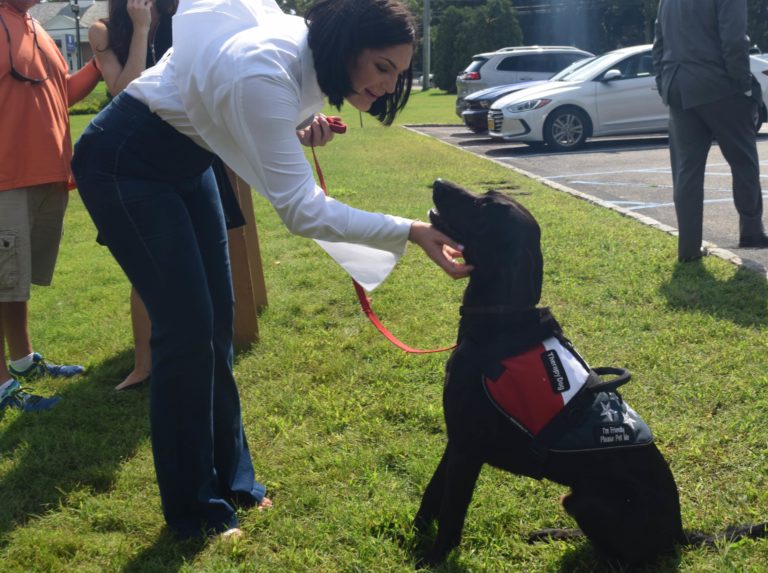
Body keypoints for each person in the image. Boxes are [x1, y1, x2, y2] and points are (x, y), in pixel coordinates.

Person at [72, 0, 471, 539]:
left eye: (397, 74)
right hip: (126, 160)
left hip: (189, 157)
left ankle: (236, 483)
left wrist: (297, 127)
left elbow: (252, 105)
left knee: (217, 325)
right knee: (186, 335)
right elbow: (303, 211)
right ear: (347, 44)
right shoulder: (263, 69)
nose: (386, 85)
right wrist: (411, 230)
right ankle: (194, 513)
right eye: (382, 67)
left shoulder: (303, 46)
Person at [0, 0, 100, 413]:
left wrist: (101, 59)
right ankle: (2, 387)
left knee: (13, 279)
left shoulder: (34, 28)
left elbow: (65, 93)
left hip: (46, 175)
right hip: (6, 179)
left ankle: (22, 359)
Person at [89, 0, 176, 391]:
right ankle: (144, 365)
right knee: (146, 263)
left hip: (183, 148)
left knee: (196, 258)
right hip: (134, 158)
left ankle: (188, 350)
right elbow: (123, 89)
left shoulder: (182, 17)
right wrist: (141, 29)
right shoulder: (104, 30)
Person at [652, 0, 768, 263]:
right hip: (719, 84)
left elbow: (658, 44)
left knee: (686, 172)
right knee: (744, 160)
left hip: (677, 87)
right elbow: (735, 40)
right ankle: (751, 230)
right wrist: (743, 85)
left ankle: (689, 250)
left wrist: (664, 83)